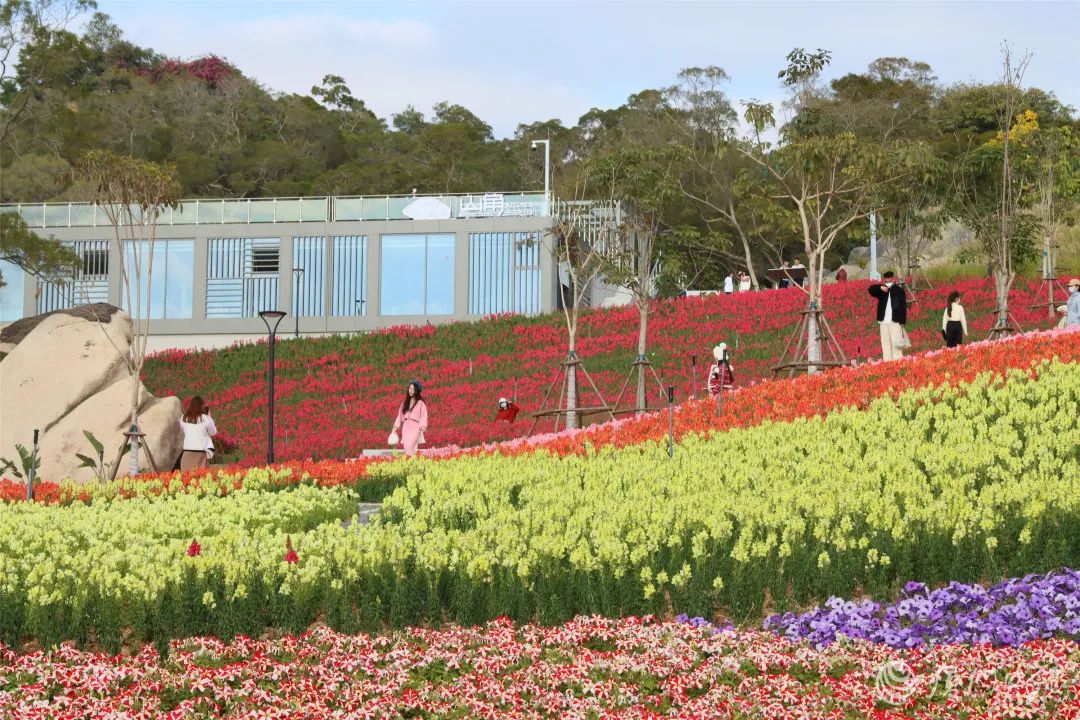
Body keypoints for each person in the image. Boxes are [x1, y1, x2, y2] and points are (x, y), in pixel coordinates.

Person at [867, 271, 908, 361]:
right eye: (886, 278)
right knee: (885, 344)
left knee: (896, 344)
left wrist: (902, 321)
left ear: (893, 278)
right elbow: (870, 289)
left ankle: (898, 362)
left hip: (895, 321)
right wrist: (880, 287)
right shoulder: (882, 290)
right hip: (883, 322)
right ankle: (887, 363)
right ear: (884, 279)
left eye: (889, 278)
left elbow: (903, 306)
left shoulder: (899, 290)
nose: (888, 279)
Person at [178, 396, 217, 472]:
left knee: (187, 479)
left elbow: (181, 432)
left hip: (187, 453)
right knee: (201, 479)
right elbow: (213, 433)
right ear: (201, 407)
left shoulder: (183, 418)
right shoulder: (205, 418)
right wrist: (209, 417)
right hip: (200, 454)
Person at [391, 380, 428, 457]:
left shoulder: (421, 403)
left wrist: (423, 426)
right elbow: (399, 415)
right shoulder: (405, 402)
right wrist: (396, 427)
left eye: (413, 389)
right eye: (410, 388)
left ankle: (409, 461)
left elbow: (424, 415)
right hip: (406, 427)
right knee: (407, 447)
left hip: (415, 427)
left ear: (417, 391)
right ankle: (411, 462)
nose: (411, 391)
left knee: (410, 446)